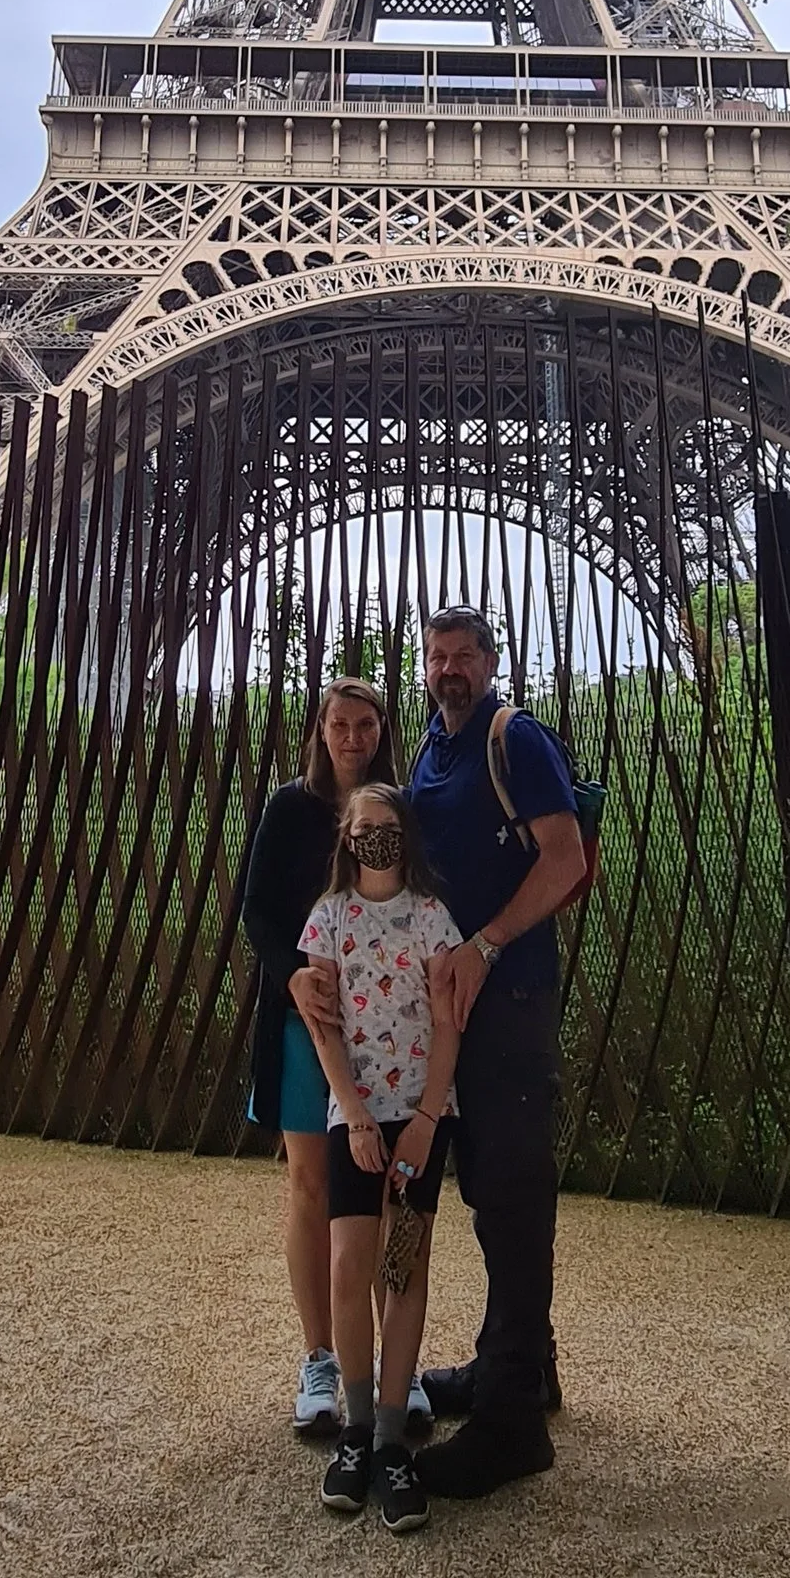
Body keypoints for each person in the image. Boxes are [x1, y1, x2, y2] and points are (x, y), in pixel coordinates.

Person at [304, 602, 583, 1502]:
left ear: (491, 662)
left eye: (464, 654)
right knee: (490, 1193)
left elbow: (567, 858)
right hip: (454, 1014)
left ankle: (511, 1422)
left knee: (512, 1195)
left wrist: (486, 944)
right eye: (436, 656)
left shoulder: (513, 737)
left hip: (508, 1000)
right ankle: (521, 1365)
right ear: (423, 668)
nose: (449, 668)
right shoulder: (433, 746)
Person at [291, 784, 466, 1534]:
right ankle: (357, 1427)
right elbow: (324, 1026)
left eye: (387, 826)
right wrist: (355, 1115)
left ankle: (392, 1437)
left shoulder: (432, 917)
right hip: (355, 1115)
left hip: (420, 1116)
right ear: (346, 836)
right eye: (364, 827)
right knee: (348, 1264)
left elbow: (448, 1022)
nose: (376, 838)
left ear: (406, 834)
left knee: (405, 1267)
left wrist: (425, 1119)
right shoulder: (328, 917)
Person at [238, 675, 404, 1442]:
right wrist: (293, 975)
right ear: (320, 729)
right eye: (340, 724)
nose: (352, 737)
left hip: (382, 1030)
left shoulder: (397, 810)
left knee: (384, 1190)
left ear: (381, 730)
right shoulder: (288, 808)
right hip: (303, 1020)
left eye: (365, 724)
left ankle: (392, 1360)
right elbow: (257, 910)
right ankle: (319, 1359)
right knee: (310, 1183)